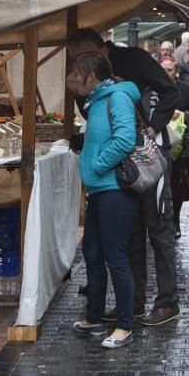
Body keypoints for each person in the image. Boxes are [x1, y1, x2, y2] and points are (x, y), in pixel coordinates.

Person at [66, 28, 181, 327]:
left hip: (147, 158)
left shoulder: (133, 59)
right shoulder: (90, 81)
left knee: (158, 229)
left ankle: (168, 302)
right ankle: (134, 303)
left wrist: (154, 128)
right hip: (119, 169)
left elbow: (170, 91)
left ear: (95, 50)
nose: (75, 70)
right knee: (131, 233)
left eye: (79, 59)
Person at [66, 51, 138, 348]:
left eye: (76, 73)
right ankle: (94, 317)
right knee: (93, 254)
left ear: (91, 76)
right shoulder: (95, 101)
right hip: (98, 189)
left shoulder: (116, 98)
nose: (72, 79)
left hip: (114, 189)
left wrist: (96, 165)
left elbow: (125, 139)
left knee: (116, 258)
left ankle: (124, 324)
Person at [160, 57, 189, 240]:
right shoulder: (153, 89)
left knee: (176, 186)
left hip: (179, 145)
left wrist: (182, 115)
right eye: (163, 69)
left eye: (169, 69)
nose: (166, 73)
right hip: (158, 142)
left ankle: (174, 219)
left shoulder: (188, 90)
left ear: (176, 71)